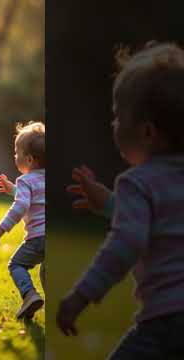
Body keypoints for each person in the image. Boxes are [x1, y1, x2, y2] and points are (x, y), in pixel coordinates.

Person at [57, 43, 184, 359]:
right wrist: (111, 206)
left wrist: (81, 296)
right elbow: (166, 222)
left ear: (147, 131)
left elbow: (128, 242)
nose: (113, 124)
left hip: (166, 322)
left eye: (117, 115)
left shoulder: (137, 183)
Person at [0, 121, 45, 319]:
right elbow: (34, 199)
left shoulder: (25, 180)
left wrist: (1, 228)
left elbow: (22, 205)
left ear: (29, 160)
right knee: (46, 272)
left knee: (16, 265)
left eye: (17, 153)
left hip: (37, 238)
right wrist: (12, 190)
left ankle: (29, 295)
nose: (15, 157)